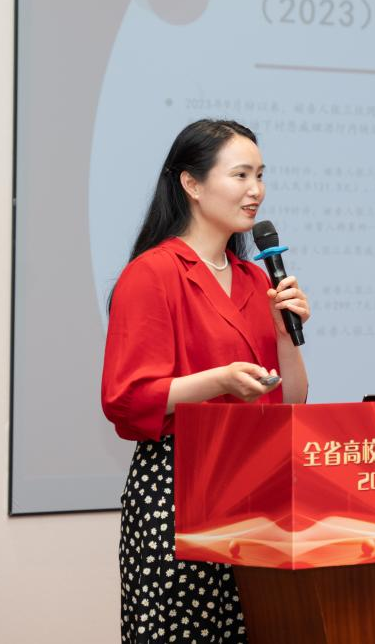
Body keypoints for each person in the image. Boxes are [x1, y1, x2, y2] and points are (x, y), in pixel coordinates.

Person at [101, 119, 309, 643]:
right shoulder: (153, 272)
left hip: (252, 491)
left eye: (260, 175)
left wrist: (285, 334)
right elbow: (127, 399)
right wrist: (217, 381)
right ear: (191, 184)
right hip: (177, 491)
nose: (256, 190)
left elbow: (291, 400)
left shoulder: (256, 278)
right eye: (240, 175)